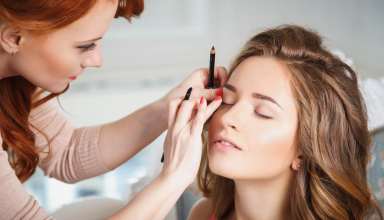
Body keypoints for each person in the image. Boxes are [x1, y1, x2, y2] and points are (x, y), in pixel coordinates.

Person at [0, 0, 227, 219]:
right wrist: (174, 178)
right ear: (13, 37)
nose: (97, 60)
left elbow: (65, 152)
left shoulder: (14, 83)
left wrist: (170, 106)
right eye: (85, 46)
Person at [188, 25, 384, 220]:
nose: (227, 117)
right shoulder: (203, 214)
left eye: (262, 112)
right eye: (228, 100)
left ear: (305, 149)